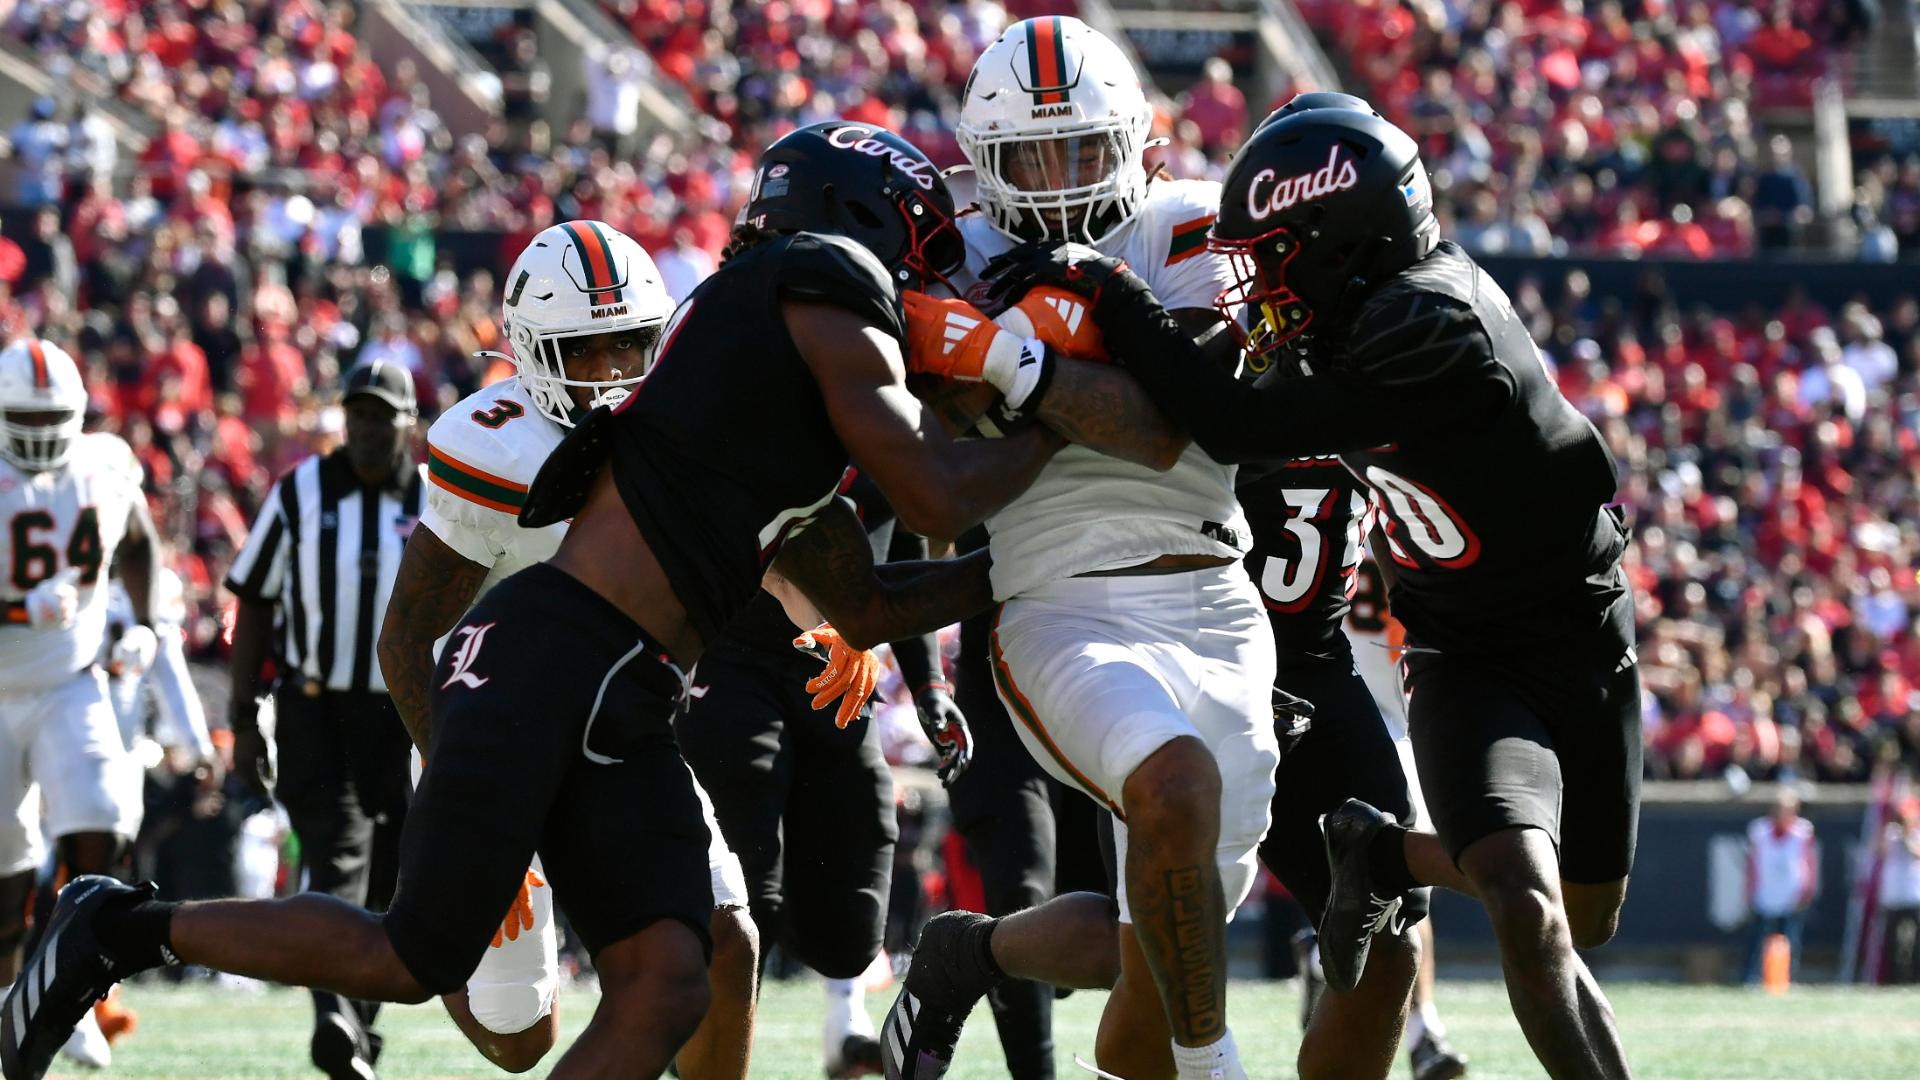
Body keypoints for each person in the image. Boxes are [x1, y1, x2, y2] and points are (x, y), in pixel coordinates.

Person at [1, 120, 1132, 1080]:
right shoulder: (813, 284)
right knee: (417, 957)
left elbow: (872, 607)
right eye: (919, 243)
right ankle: (120, 924)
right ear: (858, 223)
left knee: (672, 977)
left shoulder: (761, 405)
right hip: (550, 660)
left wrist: (1029, 565)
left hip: (621, 689)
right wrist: (1063, 411)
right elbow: (936, 482)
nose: (929, 274)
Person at [991, 99, 1641, 1080]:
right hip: (1463, 651)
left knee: (1584, 918)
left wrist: (1117, 296)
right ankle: (1390, 860)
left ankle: (1385, 857)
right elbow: (1225, 392)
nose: (1257, 279)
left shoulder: (1425, 320)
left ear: (1342, 242)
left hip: (1581, 632)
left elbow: (1233, 423)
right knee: (1524, 903)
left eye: (1277, 252)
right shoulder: (1358, 308)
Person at [885, 19, 1280, 1080]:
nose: (1056, 182)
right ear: (983, 159)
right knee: (1177, 793)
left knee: (1165, 927)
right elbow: (932, 464)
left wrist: (1009, 362)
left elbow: (1172, 424)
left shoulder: (1191, 219)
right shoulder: (949, 250)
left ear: (1137, 143)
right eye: (1028, 155)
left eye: (1078, 149)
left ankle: (968, 954)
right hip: (1054, 600)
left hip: (1216, 591)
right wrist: (1070, 369)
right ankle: (1216, 1070)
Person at [374, 220, 757, 1077]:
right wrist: (465, 807)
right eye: (586, 349)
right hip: (488, 733)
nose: (615, 372)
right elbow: (406, 640)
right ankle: (434, 938)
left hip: (613, 733)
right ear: (533, 351)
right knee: (521, 1043)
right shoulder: (498, 449)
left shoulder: (682, 427)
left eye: (631, 344)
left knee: (726, 936)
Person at [673, 468, 962, 1078]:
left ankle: (843, 1019)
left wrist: (929, 684)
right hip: (735, 655)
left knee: (852, 902)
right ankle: (704, 1052)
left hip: (838, 664)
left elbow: (897, 542)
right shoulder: (775, 391)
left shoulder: (897, 409)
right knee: (748, 888)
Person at [218, 359, 425, 1080]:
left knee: (396, 872)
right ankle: (331, 1014)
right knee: (337, 853)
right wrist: (243, 718)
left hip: (401, 711)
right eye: (358, 415)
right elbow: (253, 601)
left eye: (382, 417)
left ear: (409, 425)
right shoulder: (300, 491)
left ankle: (357, 1023)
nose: (368, 430)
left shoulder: (434, 499)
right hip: (315, 707)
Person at [0, 339, 157, 1070]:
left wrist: (146, 624)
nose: (38, 434)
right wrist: (15, 608)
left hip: (71, 678)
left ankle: (66, 986)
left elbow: (139, 542)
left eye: (52, 417)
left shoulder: (104, 465)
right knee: (5, 860)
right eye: (23, 418)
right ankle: (9, 991)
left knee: (103, 815)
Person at [1743, 788, 1816, 984]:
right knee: (1758, 939)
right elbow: (1751, 863)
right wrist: (1749, 890)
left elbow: (1809, 862)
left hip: (1790, 894)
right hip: (1764, 893)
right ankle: (1751, 978)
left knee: (1789, 939)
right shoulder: (1759, 831)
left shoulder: (1803, 832)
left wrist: (1807, 890)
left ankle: (1784, 979)